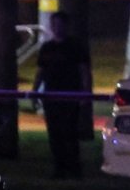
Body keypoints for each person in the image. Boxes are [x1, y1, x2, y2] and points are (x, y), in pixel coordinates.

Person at [33, 15, 92, 179]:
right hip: (50, 97)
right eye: (54, 24)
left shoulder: (75, 47)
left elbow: (84, 71)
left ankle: (74, 168)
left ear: (66, 26)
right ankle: (59, 167)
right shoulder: (47, 48)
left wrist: (85, 94)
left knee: (70, 132)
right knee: (54, 133)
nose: (57, 28)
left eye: (60, 24)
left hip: (69, 95)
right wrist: (35, 91)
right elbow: (41, 72)